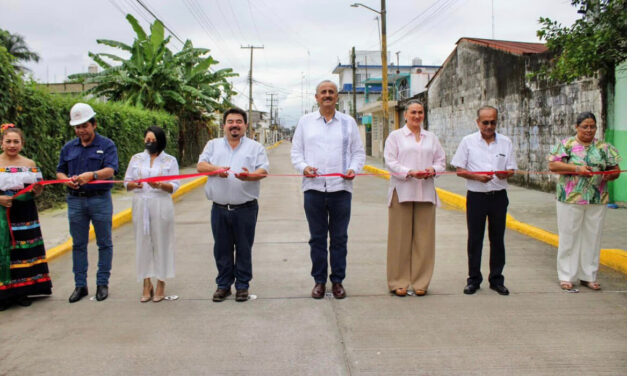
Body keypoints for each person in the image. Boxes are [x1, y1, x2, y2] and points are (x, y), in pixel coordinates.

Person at [291, 80, 365, 299]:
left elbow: (358, 153)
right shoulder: (305, 123)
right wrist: (304, 168)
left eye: (331, 92)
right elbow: (296, 153)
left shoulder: (348, 122)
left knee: (340, 238)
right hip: (313, 189)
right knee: (317, 238)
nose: (327, 95)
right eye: (323, 92)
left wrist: (352, 169)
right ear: (316, 97)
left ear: (337, 97)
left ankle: (338, 281)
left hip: (341, 189)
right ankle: (319, 281)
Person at [197, 107, 269, 303]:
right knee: (222, 248)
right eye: (230, 122)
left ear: (245, 125)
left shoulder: (255, 148)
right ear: (224, 125)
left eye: (238, 121)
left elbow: (263, 171)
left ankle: (242, 286)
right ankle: (223, 285)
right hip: (219, 208)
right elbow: (201, 166)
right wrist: (216, 169)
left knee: (244, 248)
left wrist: (249, 176)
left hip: (245, 208)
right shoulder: (213, 145)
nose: (234, 125)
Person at [548, 112, 622, 291]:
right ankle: (567, 276)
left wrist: (607, 174)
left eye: (592, 126)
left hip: (597, 198)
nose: (589, 130)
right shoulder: (567, 145)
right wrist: (577, 168)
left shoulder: (604, 147)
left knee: (592, 237)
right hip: (571, 198)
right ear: (577, 127)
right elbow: (553, 165)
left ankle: (588, 275)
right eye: (585, 126)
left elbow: (616, 170)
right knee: (569, 236)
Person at [451, 105, 517, 296]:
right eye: (485, 122)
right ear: (478, 122)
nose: (489, 126)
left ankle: (496, 279)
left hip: (498, 196)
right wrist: (477, 177)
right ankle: (473, 279)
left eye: (493, 122)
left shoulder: (505, 142)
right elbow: (459, 170)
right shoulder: (468, 142)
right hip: (477, 197)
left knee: (497, 239)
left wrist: (505, 174)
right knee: (475, 239)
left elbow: (511, 169)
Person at [57, 103, 118, 303]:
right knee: (78, 244)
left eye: (84, 125)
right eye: (77, 127)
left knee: (104, 243)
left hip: (99, 199)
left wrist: (91, 175)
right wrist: (65, 179)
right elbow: (59, 171)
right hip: (75, 201)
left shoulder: (106, 145)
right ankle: (80, 285)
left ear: (94, 124)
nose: (81, 130)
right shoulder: (68, 147)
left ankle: (102, 284)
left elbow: (110, 170)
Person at [383, 101, 446, 297]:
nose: (417, 116)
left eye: (420, 112)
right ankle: (398, 281)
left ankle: (421, 282)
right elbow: (390, 161)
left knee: (424, 241)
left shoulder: (431, 138)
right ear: (405, 115)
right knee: (399, 239)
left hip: (425, 192)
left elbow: (441, 161)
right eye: (413, 112)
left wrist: (432, 170)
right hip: (402, 191)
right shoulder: (395, 137)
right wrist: (409, 172)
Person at [124, 126, 179, 302]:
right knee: (143, 243)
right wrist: (135, 185)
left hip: (161, 204)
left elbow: (175, 186)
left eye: (153, 140)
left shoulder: (170, 160)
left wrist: (159, 185)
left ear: (160, 141)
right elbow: (126, 182)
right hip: (141, 204)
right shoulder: (136, 158)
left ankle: (161, 282)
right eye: (147, 139)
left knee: (161, 243)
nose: (149, 143)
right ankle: (146, 283)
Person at [0, 125, 52, 311]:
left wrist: (38, 190)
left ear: (22, 144)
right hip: (2, 213)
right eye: (8, 141)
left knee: (24, 249)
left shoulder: (29, 164)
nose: (12, 145)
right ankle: (4, 294)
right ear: (1, 143)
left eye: (16, 141)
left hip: (25, 212)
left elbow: (37, 190)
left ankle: (23, 290)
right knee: (4, 250)